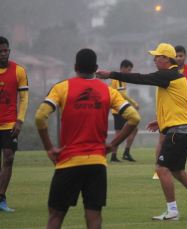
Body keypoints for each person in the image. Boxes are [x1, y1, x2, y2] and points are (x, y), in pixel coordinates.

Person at [96, 43, 187, 220]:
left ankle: (172, 211)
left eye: (157, 56)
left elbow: (140, 78)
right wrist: (161, 121)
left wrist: (111, 74)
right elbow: (177, 104)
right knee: (177, 170)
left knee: (161, 168)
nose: (153, 59)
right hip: (184, 129)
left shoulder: (167, 75)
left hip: (178, 131)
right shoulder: (176, 75)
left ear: (166, 58)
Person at [35, 48, 140, 229]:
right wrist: (113, 144)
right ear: (96, 67)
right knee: (94, 217)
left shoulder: (61, 87)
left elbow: (40, 117)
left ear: (75, 66)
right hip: (97, 163)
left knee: (55, 217)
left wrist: (49, 148)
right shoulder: (108, 91)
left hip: (69, 161)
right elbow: (134, 118)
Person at [152, 45, 187, 180]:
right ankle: (159, 169)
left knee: (177, 167)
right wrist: (161, 117)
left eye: (181, 56)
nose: (179, 58)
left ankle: (163, 168)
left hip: (179, 117)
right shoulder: (164, 72)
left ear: (185, 56)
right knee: (162, 139)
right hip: (167, 114)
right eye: (177, 56)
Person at [0, 36, 29, 212]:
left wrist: (19, 120)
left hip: (10, 123)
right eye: (0, 51)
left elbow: (24, 98)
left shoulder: (19, 70)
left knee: (9, 158)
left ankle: (1, 198)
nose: (3, 54)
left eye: (6, 50)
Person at [110, 59, 139, 162]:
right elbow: (121, 93)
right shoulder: (119, 77)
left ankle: (125, 153)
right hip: (119, 109)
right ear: (123, 68)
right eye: (129, 70)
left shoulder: (118, 77)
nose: (130, 72)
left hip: (117, 108)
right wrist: (134, 103)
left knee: (133, 129)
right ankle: (114, 156)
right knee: (118, 133)